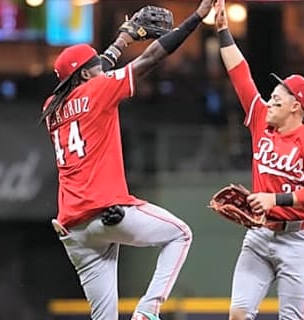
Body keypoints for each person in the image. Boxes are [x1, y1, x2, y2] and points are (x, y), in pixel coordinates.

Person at [42, 1, 214, 320]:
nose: (102, 67)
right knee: (180, 234)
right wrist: (197, 17)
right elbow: (152, 57)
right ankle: (148, 310)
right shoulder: (98, 91)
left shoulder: (52, 107)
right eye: (95, 64)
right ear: (84, 74)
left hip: (74, 229)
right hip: (107, 210)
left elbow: (94, 71)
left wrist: (122, 40)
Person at [213, 1, 304, 319]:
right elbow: (239, 74)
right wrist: (223, 30)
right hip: (259, 234)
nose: (271, 99)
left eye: (279, 97)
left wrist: (273, 198)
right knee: (238, 315)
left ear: (296, 106)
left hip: (296, 239)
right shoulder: (260, 119)